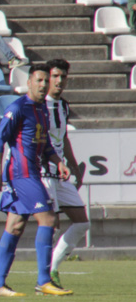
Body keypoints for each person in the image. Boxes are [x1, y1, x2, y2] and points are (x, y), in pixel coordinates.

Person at [0, 64, 72, 297]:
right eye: (39, 80)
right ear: (29, 82)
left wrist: (59, 162)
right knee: (48, 218)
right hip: (20, 175)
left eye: (46, 81)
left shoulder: (42, 110)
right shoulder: (18, 108)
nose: (44, 85)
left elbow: (44, 146)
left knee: (15, 226)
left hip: (33, 173)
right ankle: (44, 281)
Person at [42, 59, 91, 289]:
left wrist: (72, 166)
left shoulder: (63, 106)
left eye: (63, 76)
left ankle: (51, 269)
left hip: (60, 173)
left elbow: (64, 139)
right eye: (55, 76)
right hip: (43, 172)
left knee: (82, 223)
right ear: (47, 78)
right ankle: (45, 278)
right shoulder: (38, 105)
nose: (60, 81)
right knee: (51, 225)